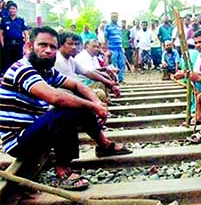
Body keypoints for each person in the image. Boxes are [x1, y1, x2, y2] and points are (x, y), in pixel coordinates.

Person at [0, 26, 131, 191]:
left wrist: (96, 102)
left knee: (79, 101)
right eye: (42, 45)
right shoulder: (22, 69)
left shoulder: (47, 70)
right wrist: (94, 106)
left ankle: (103, 145)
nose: (48, 51)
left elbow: (76, 84)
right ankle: (63, 171)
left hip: (35, 131)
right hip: (18, 142)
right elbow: (56, 98)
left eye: (53, 47)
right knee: (65, 109)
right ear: (29, 46)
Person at [0, 2, 28, 75]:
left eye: (14, 8)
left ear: (16, 10)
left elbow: (26, 34)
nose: (12, 10)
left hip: (18, 44)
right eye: (10, 9)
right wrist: (3, 45)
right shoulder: (4, 20)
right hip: (8, 44)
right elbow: (1, 33)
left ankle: (18, 78)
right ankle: (7, 79)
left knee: (19, 63)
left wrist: (26, 47)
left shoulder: (21, 20)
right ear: (8, 10)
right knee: (7, 63)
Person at [104, 12, 125, 83]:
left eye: (116, 17)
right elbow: (106, 38)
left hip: (120, 48)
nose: (115, 18)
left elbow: (120, 38)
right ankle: (115, 79)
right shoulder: (108, 26)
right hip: (112, 48)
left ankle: (121, 79)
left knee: (122, 63)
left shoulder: (119, 27)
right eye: (113, 17)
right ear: (111, 18)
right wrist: (107, 49)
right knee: (113, 64)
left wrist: (122, 47)